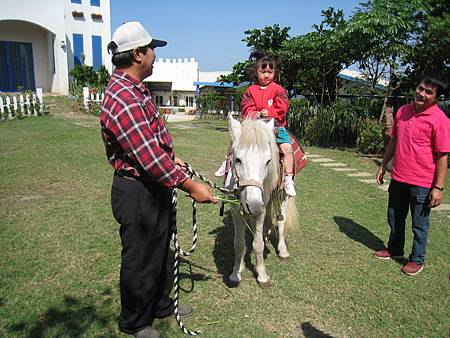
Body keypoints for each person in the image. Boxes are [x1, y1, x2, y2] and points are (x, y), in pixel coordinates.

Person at [100, 21, 216, 338]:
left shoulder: (134, 90)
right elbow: (148, 159)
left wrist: (171, 156)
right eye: (152, 50)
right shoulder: (123, 97)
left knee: (160, 249)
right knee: (141, 257)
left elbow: (149, 145)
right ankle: (135, 321)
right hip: (138, 191)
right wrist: (192, 185)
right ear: (137, 54)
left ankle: (161, 305)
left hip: (153, 185)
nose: (155, 56)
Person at [374, 75, 450, 276]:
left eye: (428, 92)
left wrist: (438, 188)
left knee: (419, 224)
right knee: (394, 217)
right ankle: (395, 249)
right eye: (420, 88)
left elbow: (443, 156)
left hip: (423, 182)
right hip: (399, 176)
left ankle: (417, 259)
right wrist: (383, 165)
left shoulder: (440, 120)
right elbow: (394, 140)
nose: (422, 94)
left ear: (436, 98)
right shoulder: (403, 111)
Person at [215, 52, 296, 197]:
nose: (266, 75)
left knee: (287, 148)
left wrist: (270, 112)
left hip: (275, 126)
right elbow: (246, 107)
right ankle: (227, 164)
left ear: (275, 74)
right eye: (262, 72)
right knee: (235, 143)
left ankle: (288, 177)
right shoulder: (250, 91)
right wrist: (254, 114)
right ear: (256, 73)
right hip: (255, 127)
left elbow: (282, 107)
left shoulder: (278, 90)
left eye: (270, 72)